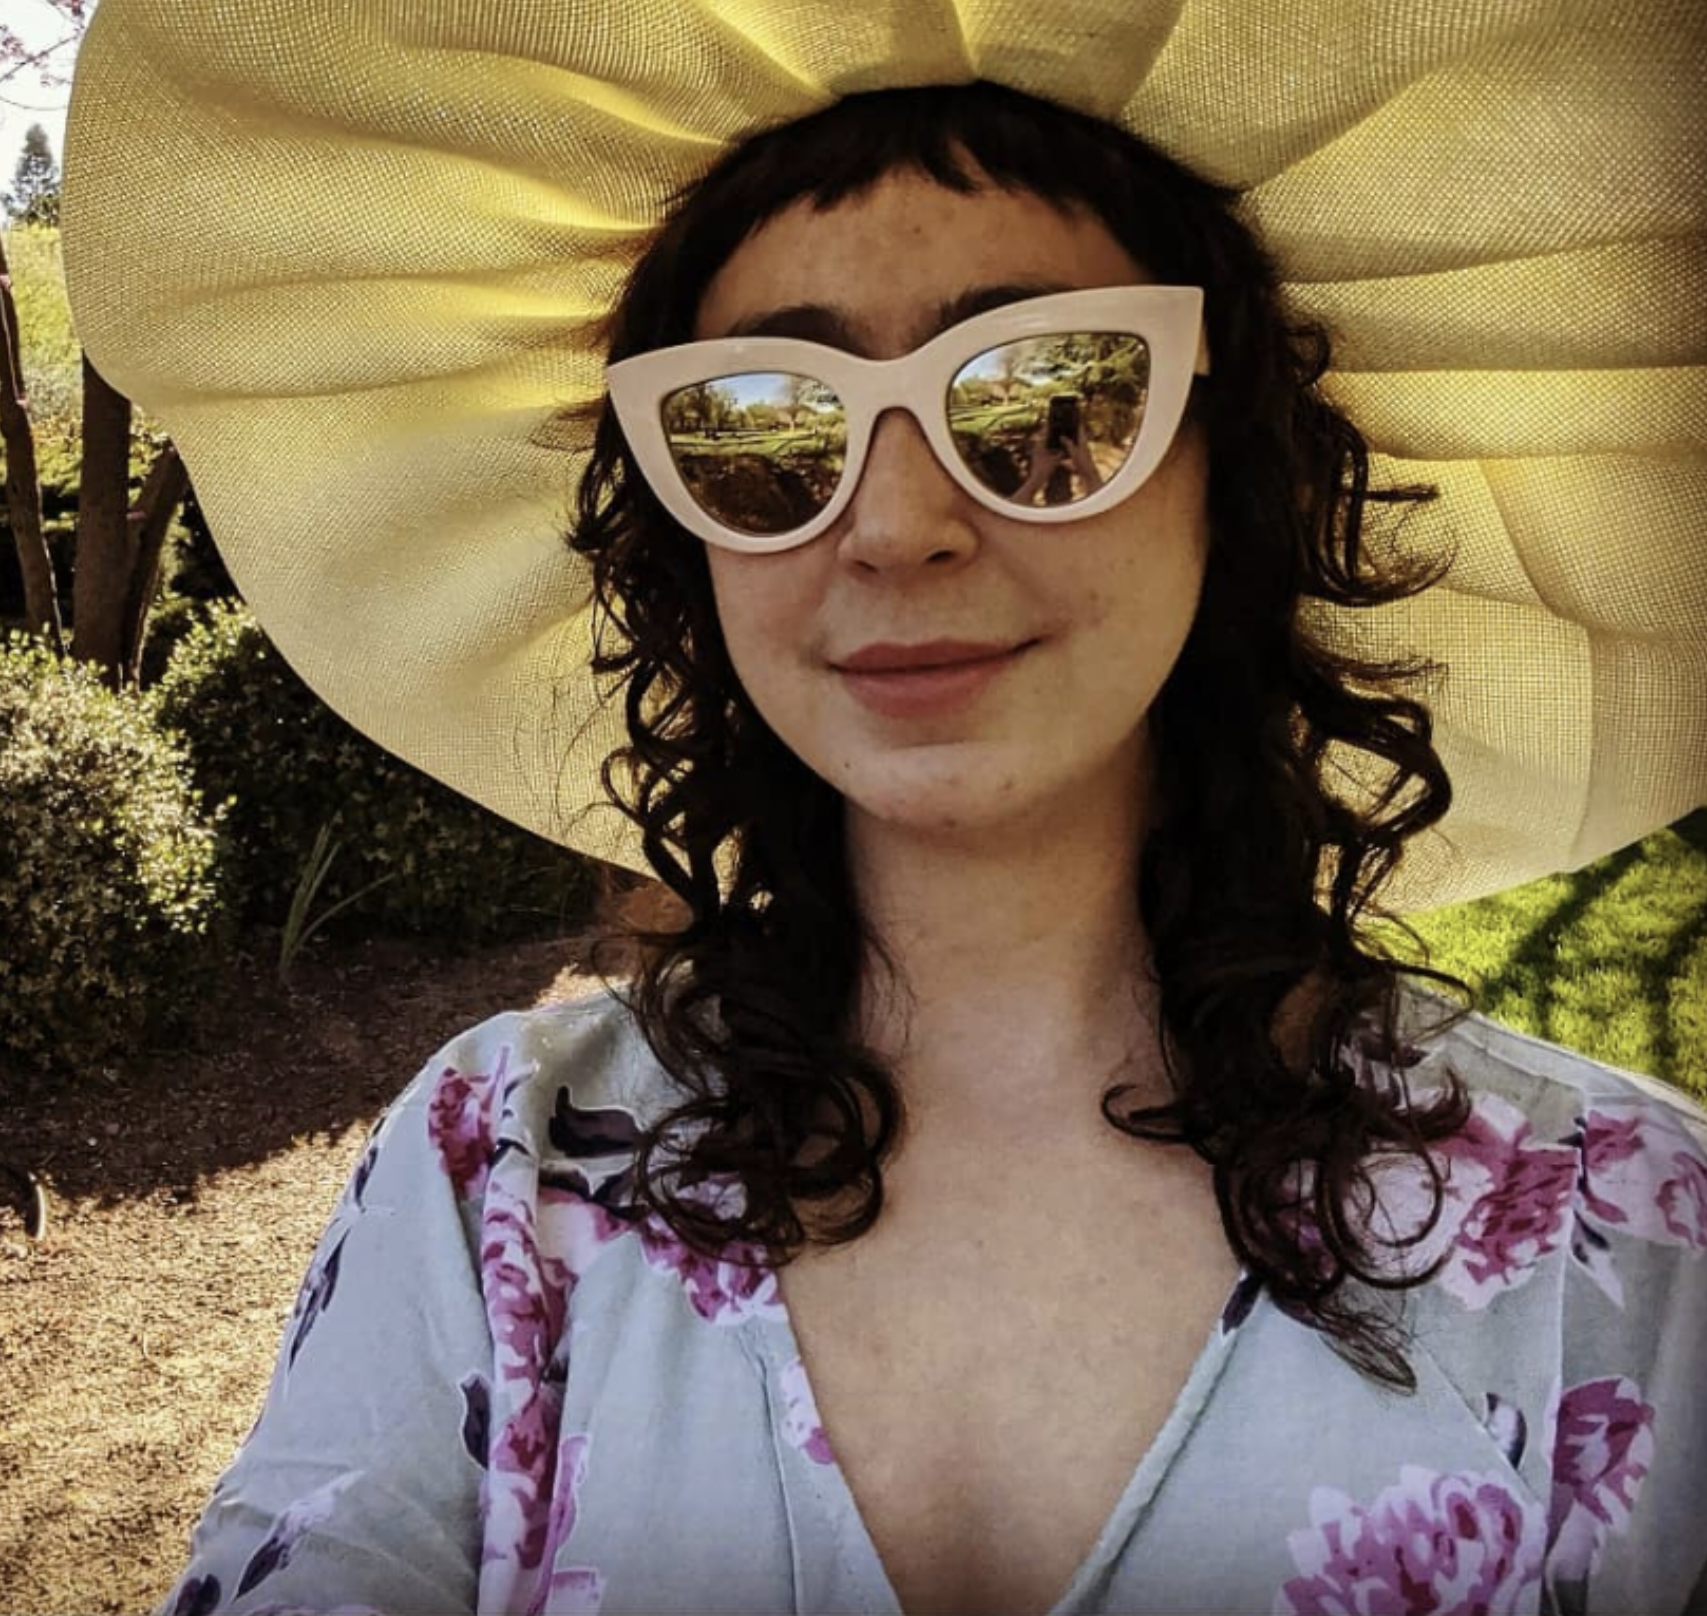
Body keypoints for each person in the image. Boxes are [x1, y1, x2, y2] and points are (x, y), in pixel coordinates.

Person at [59, 5, 1707, 1615]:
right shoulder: (493, 1171)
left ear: (1234, 472)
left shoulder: (1631, 1240)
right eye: (760, 428)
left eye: (1051, 398)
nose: (896, 521)